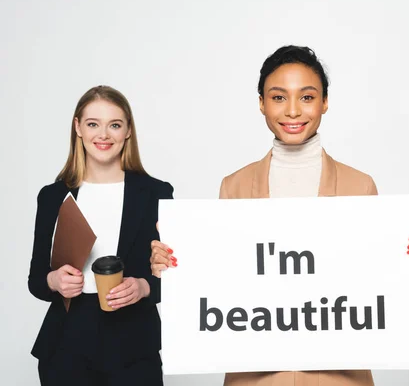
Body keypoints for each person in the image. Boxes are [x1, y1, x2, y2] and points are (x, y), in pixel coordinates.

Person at [150, 45, 377, 386]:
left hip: (337, 376)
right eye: (278, 97)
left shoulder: (360, 186)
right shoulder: (234, 186)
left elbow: (376, 279)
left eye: (307, 97)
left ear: (325, 103)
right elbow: (219, 276)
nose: (293, 111)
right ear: (261, 103)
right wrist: (173, 265)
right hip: (256, 376)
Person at [28, 85, 173, 385]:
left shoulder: (157, 194)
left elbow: (176, 277)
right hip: (66, 347)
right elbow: (36, 279)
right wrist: (53, 281)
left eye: (114, 125)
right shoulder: (53, 197)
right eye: (93, 124)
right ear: (78, 127)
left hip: (134, 347)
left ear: (128, 131)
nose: (103, 135)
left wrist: (144, 287)